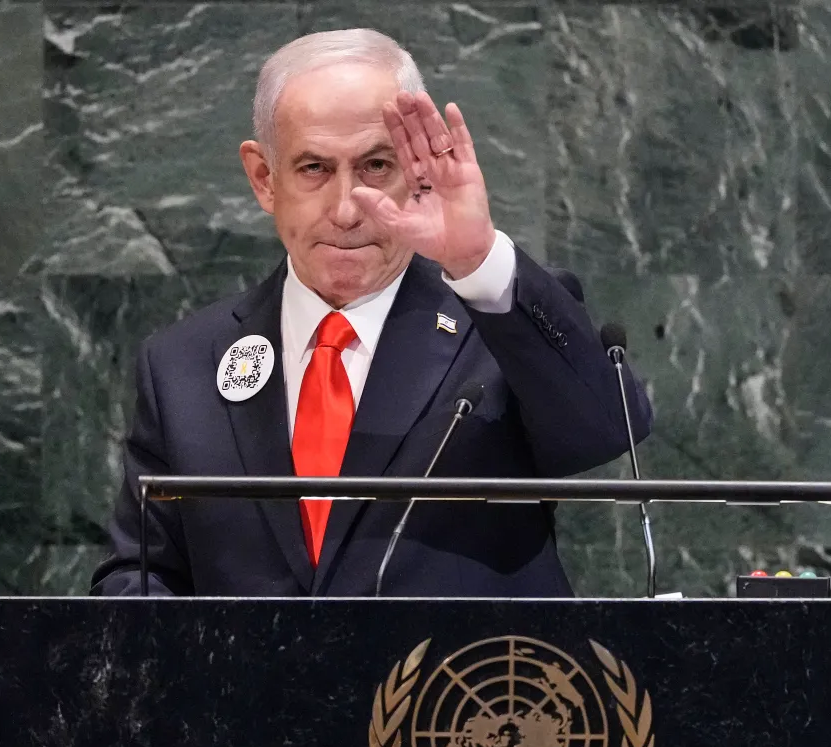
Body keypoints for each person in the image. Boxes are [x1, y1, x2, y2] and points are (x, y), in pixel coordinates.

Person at [90, 28, 652, 598]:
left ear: (419, 170)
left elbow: (605, 431)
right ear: (264, 178)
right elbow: (140, 570)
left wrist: (476, 258)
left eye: (377, 166)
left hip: (455, 686)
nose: (345, 209)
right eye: (313, 168)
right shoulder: (182, 363)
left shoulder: (495, 321)